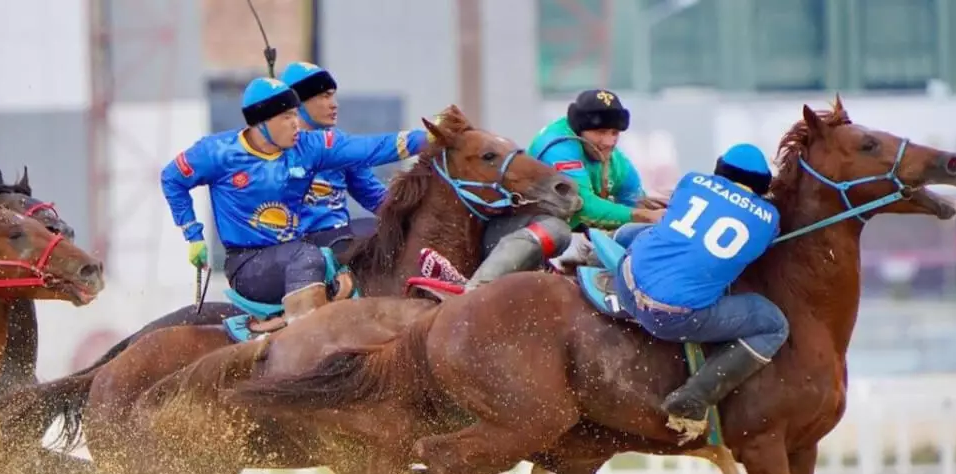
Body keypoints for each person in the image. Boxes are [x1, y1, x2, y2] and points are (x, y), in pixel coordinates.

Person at [161, 77, 427, 321]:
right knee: (308, 258)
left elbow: (370, 148)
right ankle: (308, 347)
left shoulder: (308, 147)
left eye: (296, 114)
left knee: (377, 233)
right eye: (287, 116)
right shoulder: (217, 152)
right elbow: (172, 178)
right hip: (248, 264)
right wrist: (193, 234)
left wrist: (427, 138)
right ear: (263, 122)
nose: (296, 123)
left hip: (296, 247)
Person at [612, 143, 787, 433]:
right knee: (774, 324)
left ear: (720, 170)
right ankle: (693, 398)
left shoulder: (692, 180)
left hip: (625, 280)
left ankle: (590, 257)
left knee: (645, 233)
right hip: (672, 318)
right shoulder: (770, 220)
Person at [463, 89, 661, 290]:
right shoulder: (559, 146)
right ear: (579, 129)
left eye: (614, 133)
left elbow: (635, 202)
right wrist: (645, 215)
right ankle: (477, 287)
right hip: (503, 236)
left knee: (634, 235)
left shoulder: (616, 161)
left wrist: (652, 217)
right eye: (600, 132)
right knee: (558, 230)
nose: (609, 141)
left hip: (542, 246)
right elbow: (585, 208)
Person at [279, 61, 386, 259]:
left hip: (338, 237)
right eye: (324, 96)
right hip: (295, 248)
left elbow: (375, 196)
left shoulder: (339, 145)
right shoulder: (273, 147)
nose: (334, 104)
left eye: (333, 95)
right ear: (299, 103)